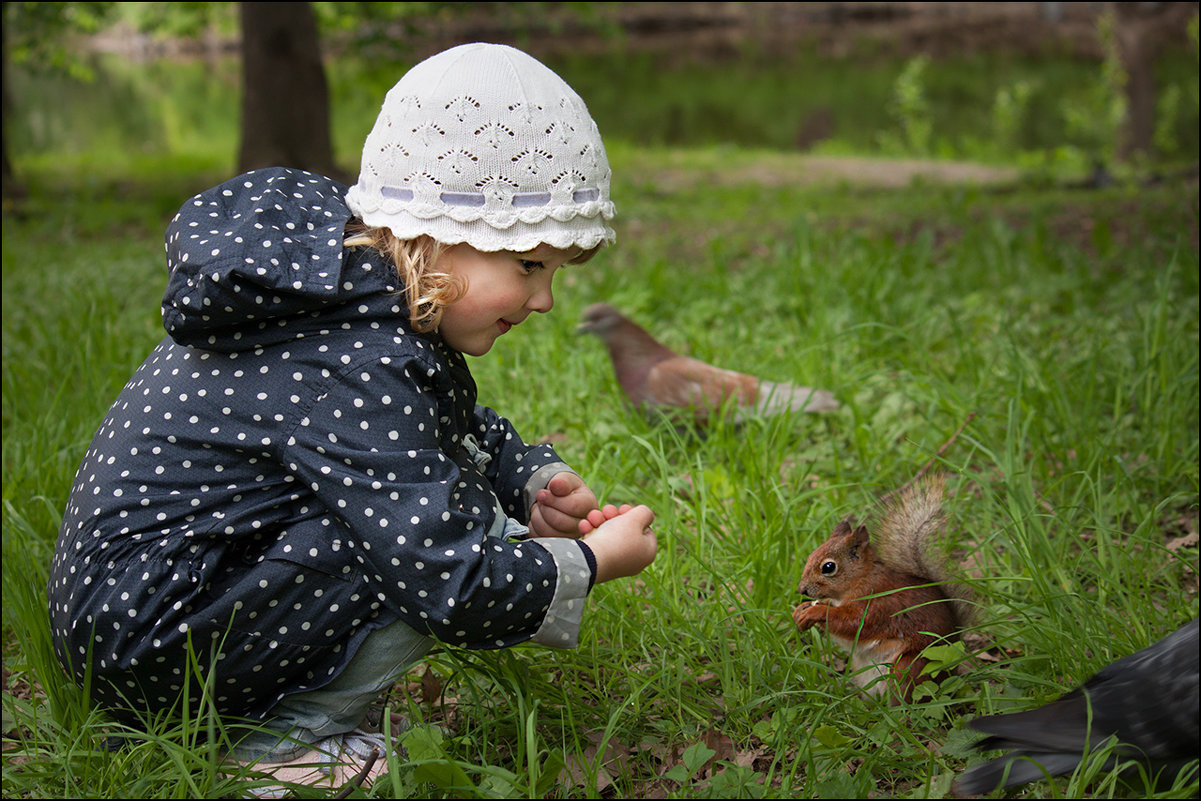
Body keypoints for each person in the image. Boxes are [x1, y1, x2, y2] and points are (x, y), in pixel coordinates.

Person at [46, 42, 657, 794]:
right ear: (433, 235)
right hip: (155, 654)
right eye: (527, 265)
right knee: (420, 537)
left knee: (432, 499)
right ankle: (268, 744)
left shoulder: (349, 297)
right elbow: (450, 579)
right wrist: (589, 564)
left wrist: (525, 476)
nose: (543, 300)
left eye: (553, 273)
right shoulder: (354, 358)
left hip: (144, 620)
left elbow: (437, 421)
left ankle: (283, 702)